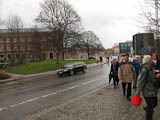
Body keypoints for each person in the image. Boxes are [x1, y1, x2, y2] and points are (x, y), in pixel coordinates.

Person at [136, 55, 160, 120]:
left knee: (155, 103)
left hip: (153, 91)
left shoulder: (152, 68)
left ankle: (147, 108)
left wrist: (157, 76)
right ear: (148, 61)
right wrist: (137, 93)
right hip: (147, 92)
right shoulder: (144, 70)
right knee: (150, 110)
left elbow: (152, 78)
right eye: (151, 59)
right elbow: (140, 82)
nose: (152, 60)